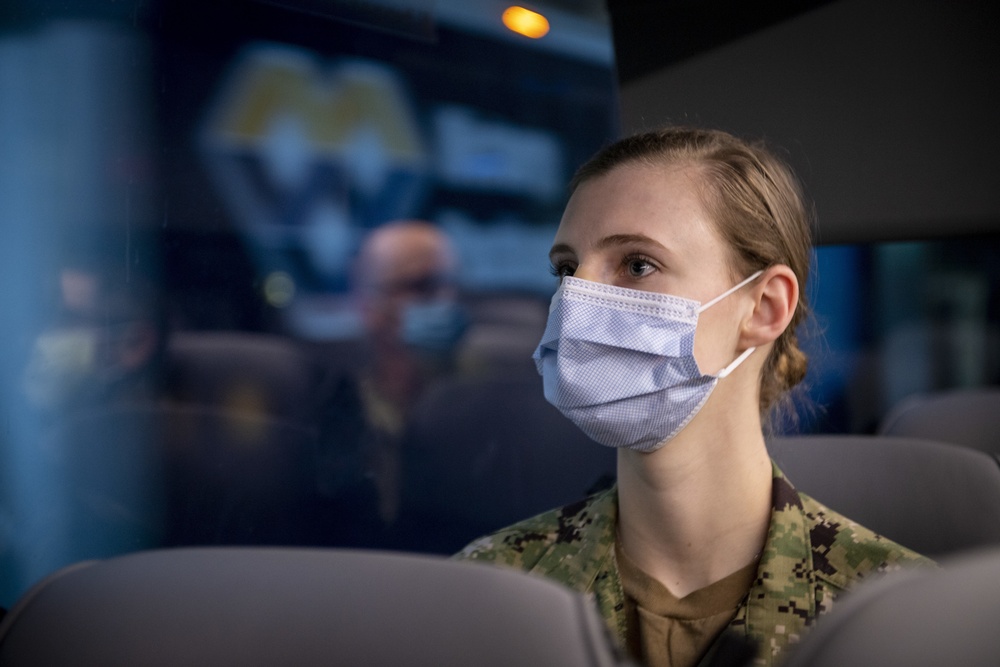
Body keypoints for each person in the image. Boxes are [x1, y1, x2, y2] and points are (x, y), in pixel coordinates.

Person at [454, 127, 932, 667]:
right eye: (567, 269)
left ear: (764, 308)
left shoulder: (905, 620)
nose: (574, 302)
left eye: (637, 264)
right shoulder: (483, 593)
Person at [313, 219, 467, 547]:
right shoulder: (329, 417)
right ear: (369, 304)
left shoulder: (480, 406)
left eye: (451, 284)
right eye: (423, 287)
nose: (446, 300)